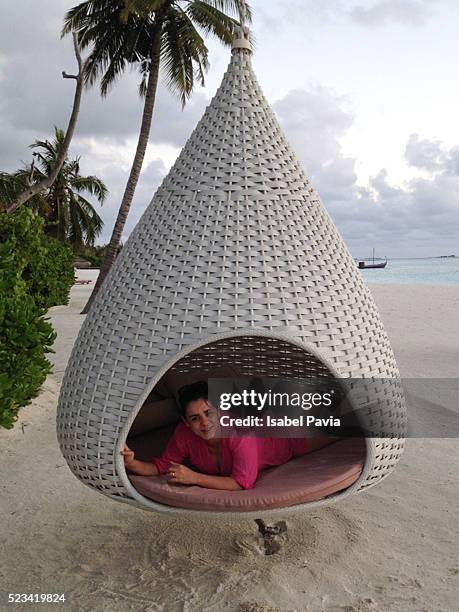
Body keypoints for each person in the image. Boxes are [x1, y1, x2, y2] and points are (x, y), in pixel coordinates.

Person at [122, 381, 335, 491]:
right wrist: (132, 463)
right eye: (195, 419)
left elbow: (243, 483)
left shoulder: (240, 434)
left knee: (342, 428)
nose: (205, 423)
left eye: (209, 413)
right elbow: (160, 466)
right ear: (186, 423)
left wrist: (194, 478)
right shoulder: (184, 434)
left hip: (287, 434)